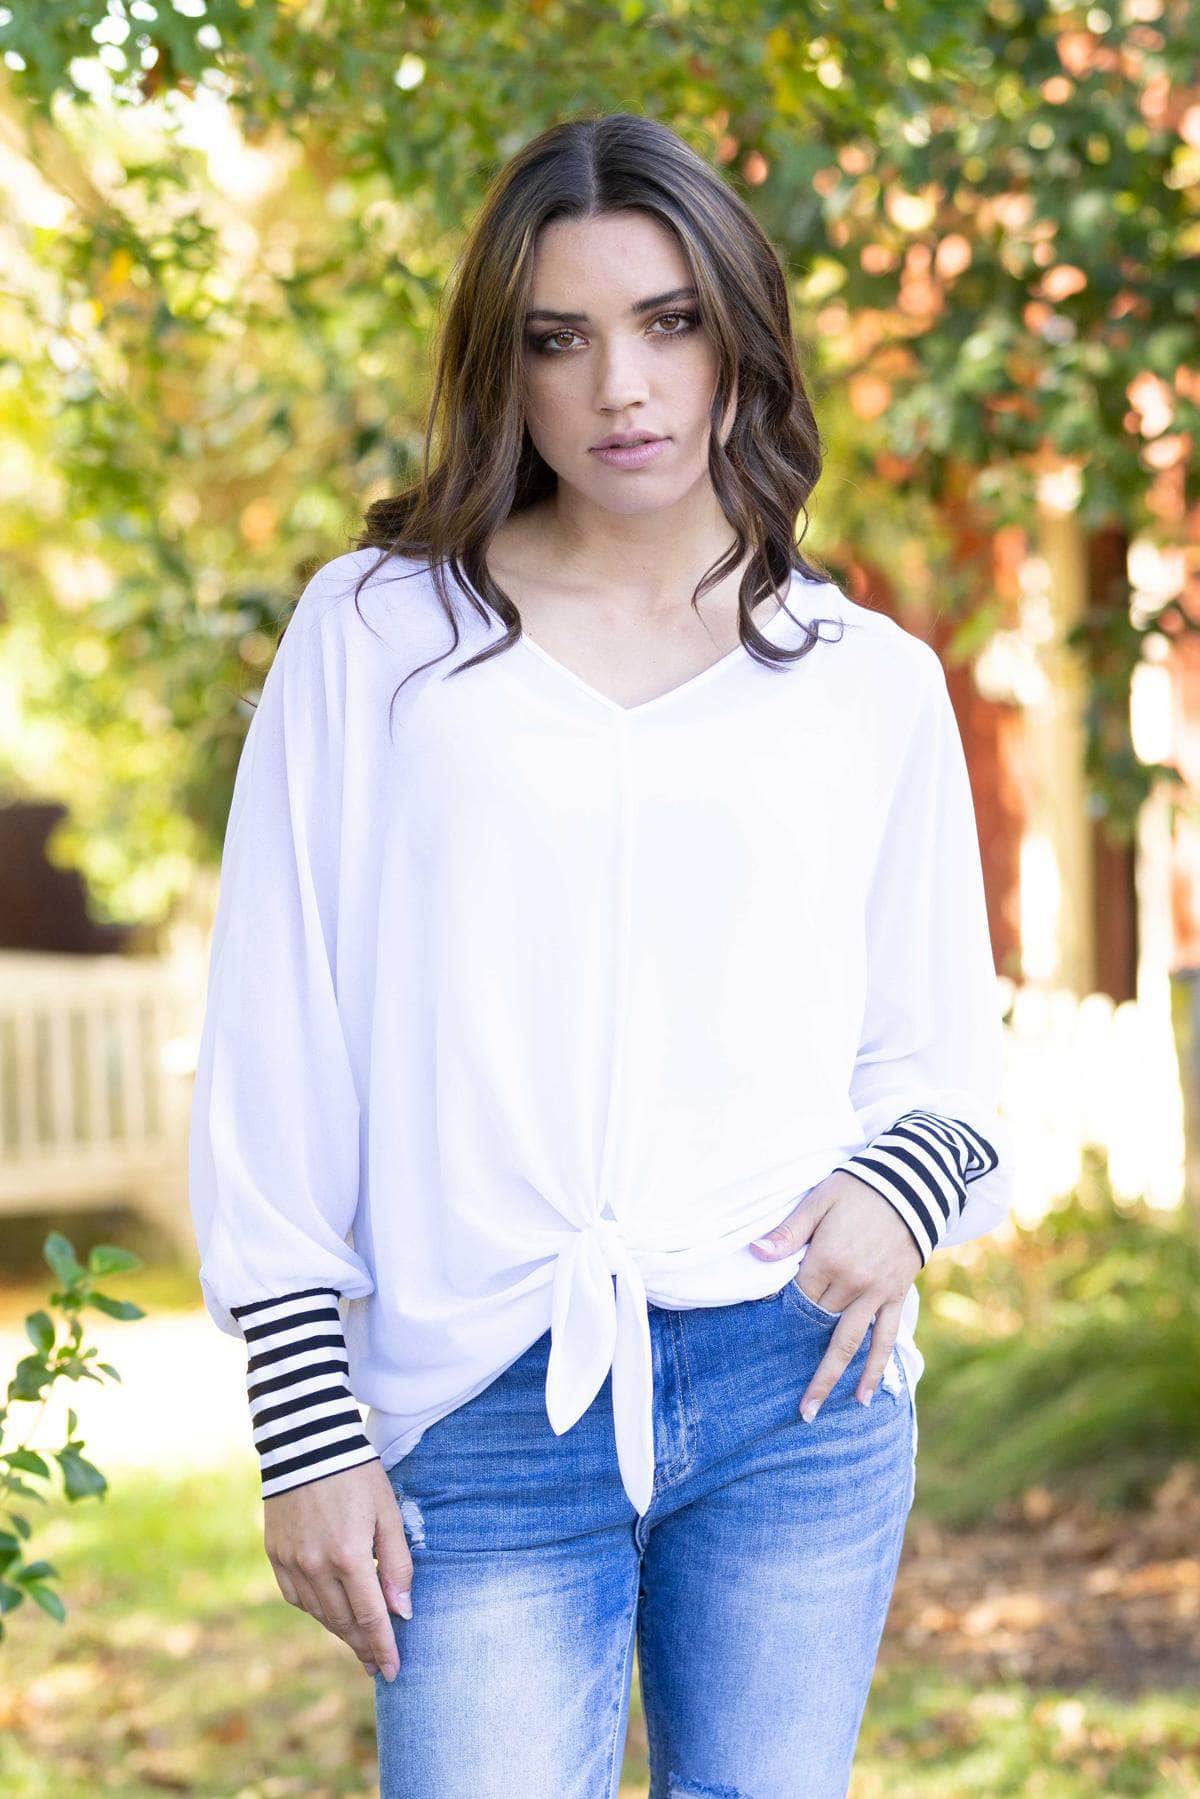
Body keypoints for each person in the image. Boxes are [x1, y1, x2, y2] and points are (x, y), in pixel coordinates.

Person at [187, 111, 1011, 1799]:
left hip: (798, 1390)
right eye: (560, 340)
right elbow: (279, 1039)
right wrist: (305, 1428)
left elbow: (944, 1048)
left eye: (667, 323)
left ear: (737, 338)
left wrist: (898, 1191)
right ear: (506, 369)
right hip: (480, 1398)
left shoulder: (863, 678)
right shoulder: (381, 637)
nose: (620, 389)